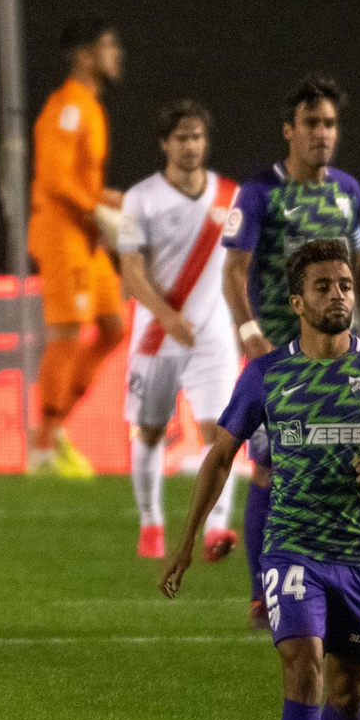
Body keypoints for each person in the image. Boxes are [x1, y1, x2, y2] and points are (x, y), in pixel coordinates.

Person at [161, 240, 360, 720]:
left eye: (347, 286)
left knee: (349, 689)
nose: (338, 295)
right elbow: (218, 458)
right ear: (298, 303)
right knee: (301, 663)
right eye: (324, 287)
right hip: (292, 546)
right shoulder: (266, 375)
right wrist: (187, 541)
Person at [221, 73, 360, 626]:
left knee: (350, 467)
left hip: (340, 355)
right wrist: (250, 334)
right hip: (280, 356)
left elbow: (359, 267)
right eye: (312, 123)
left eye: (331, 123)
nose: (323, 133)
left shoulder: (347, 191)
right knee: (271, 469)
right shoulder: (261, 194)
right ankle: (261, 598)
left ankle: (348, 597)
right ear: (289, 131)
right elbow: (234, 271)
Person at [117, 99, 240, 560]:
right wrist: (166, 316)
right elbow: (130, 271)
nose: (192, 145)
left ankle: (217, 529)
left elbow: (243, 263)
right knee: (150, 432)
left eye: (198, 136)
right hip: (158, 334)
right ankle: (151, 524)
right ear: (165, 143)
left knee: (222, 433)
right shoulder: (140, 198)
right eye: (182, 137)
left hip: (214, 337)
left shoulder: (231, 196)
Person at [27, 17, 128, 478]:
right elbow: (53, 176)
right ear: (85, 55)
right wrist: (96, 207)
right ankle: (43, 450)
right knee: (67, 334)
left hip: (85, 234)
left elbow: (79, 180)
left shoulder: (90, 107)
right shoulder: (67, 107)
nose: (116, 54)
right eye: (108, 46)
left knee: (112, 327)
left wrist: (112, 201)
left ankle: (57, 428)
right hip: (63, 234)